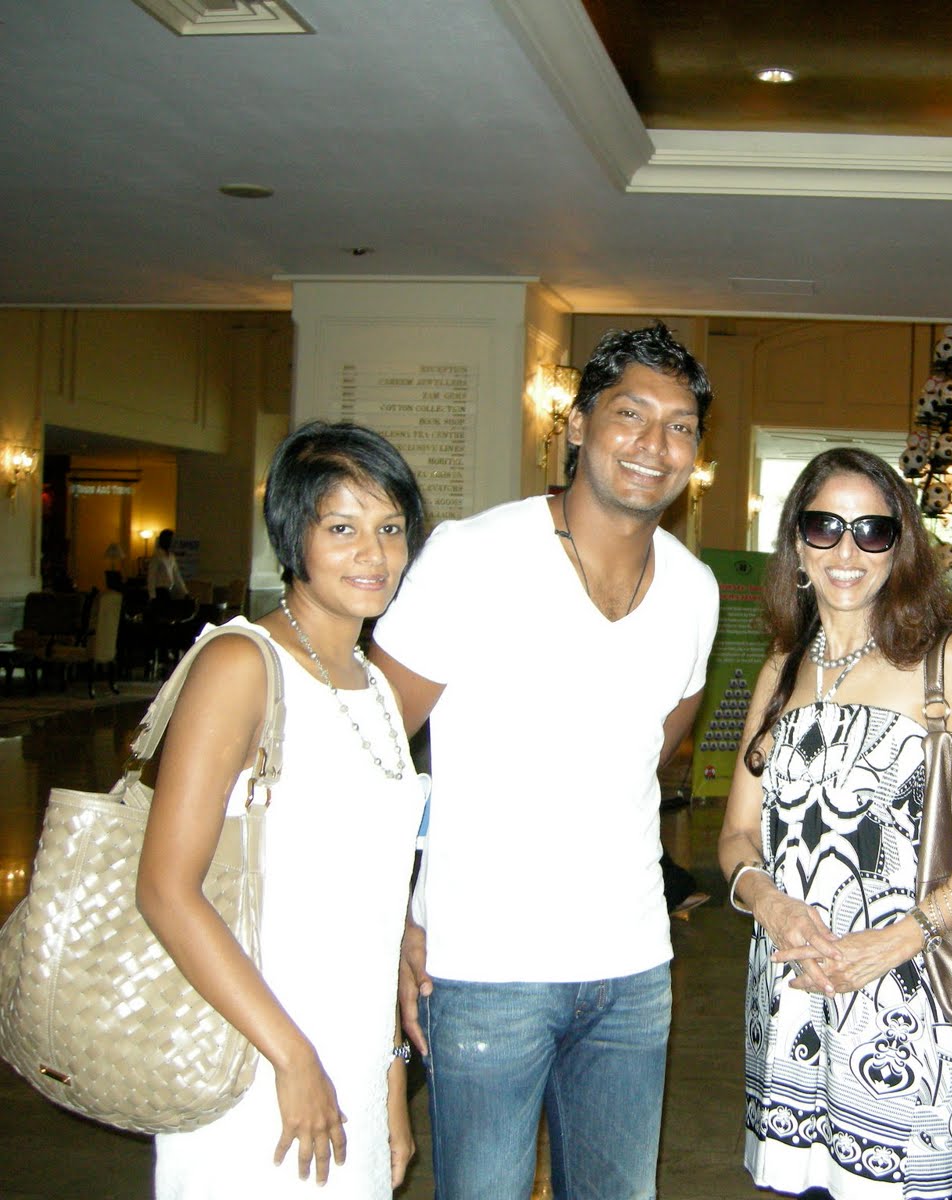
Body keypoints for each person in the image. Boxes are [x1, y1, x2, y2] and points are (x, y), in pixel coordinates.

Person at [368, 322, 720, 1200]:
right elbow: (368, 751)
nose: (654, 444)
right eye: (630, 414)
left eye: (679, 426)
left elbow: (653, 749)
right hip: (484, 966)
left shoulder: (694, 590)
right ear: (577, 424)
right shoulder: (473, 555)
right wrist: (392, 918)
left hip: (632, 968)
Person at [718, 448, 952, 1200]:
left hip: (905, 993)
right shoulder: (780, 668)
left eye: (872, 531)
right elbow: (736, 834)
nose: (847, 551)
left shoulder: (945, 663)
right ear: (797, 544)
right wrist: (770, 904)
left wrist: (902, 938)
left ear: (900, 548)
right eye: (825, 527)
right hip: (790, 985)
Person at [137, 421, 429, 1197]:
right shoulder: (241, 664)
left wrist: (389, 1082)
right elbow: (165, 888)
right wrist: (292, 1059)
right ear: (292, 538)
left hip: (350, 1064)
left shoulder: (373, 685)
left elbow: (375, 911)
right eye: (342, 528)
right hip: (250, 1055)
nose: (373, 554)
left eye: (390, 528)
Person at [146, 528, 189, 599]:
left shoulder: (171, 557)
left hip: (170, 590)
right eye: (170, 540)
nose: (172, 542)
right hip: (160, 591)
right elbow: (151, 576)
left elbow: (177, 576)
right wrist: (152, 596)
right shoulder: (157, 556)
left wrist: (185, 592)